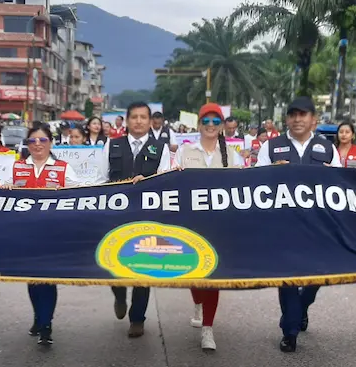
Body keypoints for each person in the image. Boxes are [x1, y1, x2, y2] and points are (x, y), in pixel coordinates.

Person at [255, 97, 341, 352]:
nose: (297, 119)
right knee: (288, 279)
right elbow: (255, 184)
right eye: (293, 114)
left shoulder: (327, 149)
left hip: (318, 226)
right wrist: (272, 171)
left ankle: (301, 307)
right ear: (287, 119)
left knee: (318, 277)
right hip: (283, 225)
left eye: (303, 114)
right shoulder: (271, 147)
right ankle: (290, 330)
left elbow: (340, 186)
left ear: (314, 119)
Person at [96, 102, 172, 338]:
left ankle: (137, 318)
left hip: (147, 217)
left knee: (143, 268)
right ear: (127, 121)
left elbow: (166, 183)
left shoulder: (161, 148)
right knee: (114, 264)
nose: (138, 121)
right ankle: (119, 295)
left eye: (143, 117)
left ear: (150, 122)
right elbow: (100, 179)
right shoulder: (112, 145)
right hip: (116, 216)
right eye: (134, 117)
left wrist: (149, 183)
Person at [4, 123, 84, 345]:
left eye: (42, 140)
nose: (37, 144)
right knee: (32, 279)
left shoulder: (63, 168)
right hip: (25, 234)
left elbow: (83, 193)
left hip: (52, 234)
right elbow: (0, 191)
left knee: (47, 279)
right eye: (32, 141)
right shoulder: (16, 167)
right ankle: (38, 317)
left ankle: (46, 324)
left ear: (51, 143)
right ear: (27, 144)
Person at [174, 103, 244, 351]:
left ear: (222, 125)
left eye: (216, 121)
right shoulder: (185, 151)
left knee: (213, 276)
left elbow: (243, 187)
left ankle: (207, 329)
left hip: (219, 224)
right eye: (207, 121)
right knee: (194, 274)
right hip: (191, 223)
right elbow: (168, 182)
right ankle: (198, 303)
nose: (211, 125)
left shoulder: (232, 155)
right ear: (199, 124)